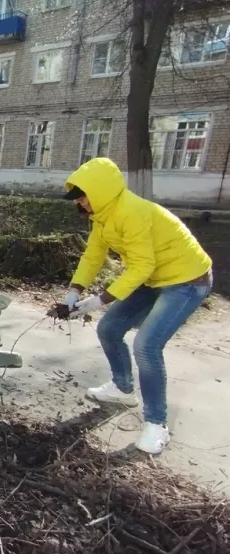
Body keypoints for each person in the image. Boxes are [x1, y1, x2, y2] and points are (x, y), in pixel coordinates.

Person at [58, 157, 213, 455]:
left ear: (101, 190)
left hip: (187, 280)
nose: (80, 202)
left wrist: (100, 300)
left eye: (83, 195)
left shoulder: (132, 211)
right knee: (109, 328)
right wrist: (74, 292)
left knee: (146, 346)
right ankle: (123, 387)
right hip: (154, 276)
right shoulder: (102, 216)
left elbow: (141, 265)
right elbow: (93, 256)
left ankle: (157, 424)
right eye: (76, 197)